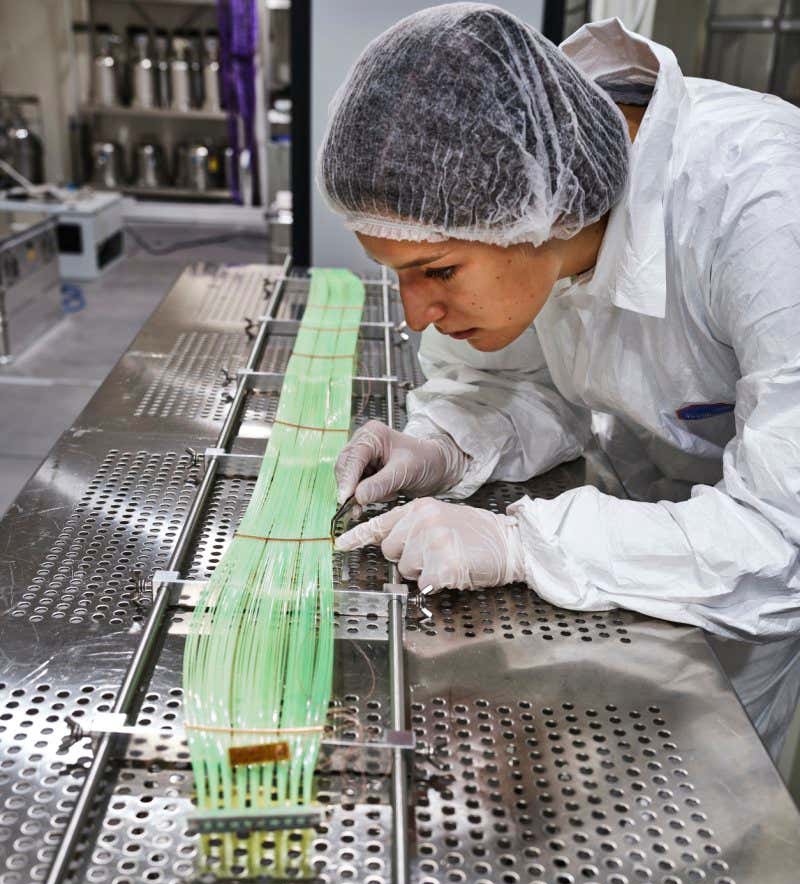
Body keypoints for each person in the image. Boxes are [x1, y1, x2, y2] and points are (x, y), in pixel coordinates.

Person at [316, 4, 800, 761]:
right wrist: (444, 442)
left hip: (746, 601)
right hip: (625, 558)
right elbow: (538, 383)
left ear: (537, 217)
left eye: (438, 271)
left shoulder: (763, 203)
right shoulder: (541, 200)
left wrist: (523, 544)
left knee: (716, 811)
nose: (417, 317)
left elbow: (783, 536)